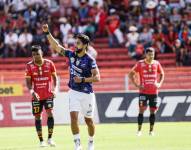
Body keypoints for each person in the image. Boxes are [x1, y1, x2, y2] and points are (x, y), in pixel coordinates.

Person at [42, 24, 100, 150]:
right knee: (73, 117)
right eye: (75, 42)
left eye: (78, 43)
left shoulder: (90, 60)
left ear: (85, 45)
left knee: (88, 121)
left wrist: (83, 79)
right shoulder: (71, 55)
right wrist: (47, 33)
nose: (76, 45)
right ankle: (77, 143)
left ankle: (91, 142)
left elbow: (97, 78)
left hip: (87, 93)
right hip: (74, 92)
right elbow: (56, 47)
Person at [25, 45, 58, 147]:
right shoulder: (29, 65)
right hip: (36, 96)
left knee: (50, 113)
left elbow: (55, 78)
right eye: (34, 55)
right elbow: (28, 82)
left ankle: (50, 138)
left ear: (42, 53)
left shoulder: (50, 63)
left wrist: (55, 90)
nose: (36, 57)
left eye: (38, 54)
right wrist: (32, 92)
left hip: (48, 94)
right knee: (37, 116)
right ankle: (41, 140)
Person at [128, 47, 164, 136]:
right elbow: (130, 74)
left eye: (153, 54)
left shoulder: (157, 63)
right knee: (141, 110)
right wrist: (136, 85)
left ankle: (151, 131)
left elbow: (162, 74)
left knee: (153, 111)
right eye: (149, 54)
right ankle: (139, 130)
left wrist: (159, 83)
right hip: (143, 92)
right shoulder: (140, 64)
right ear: (145, 55)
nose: (151, 56)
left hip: (154, 92)